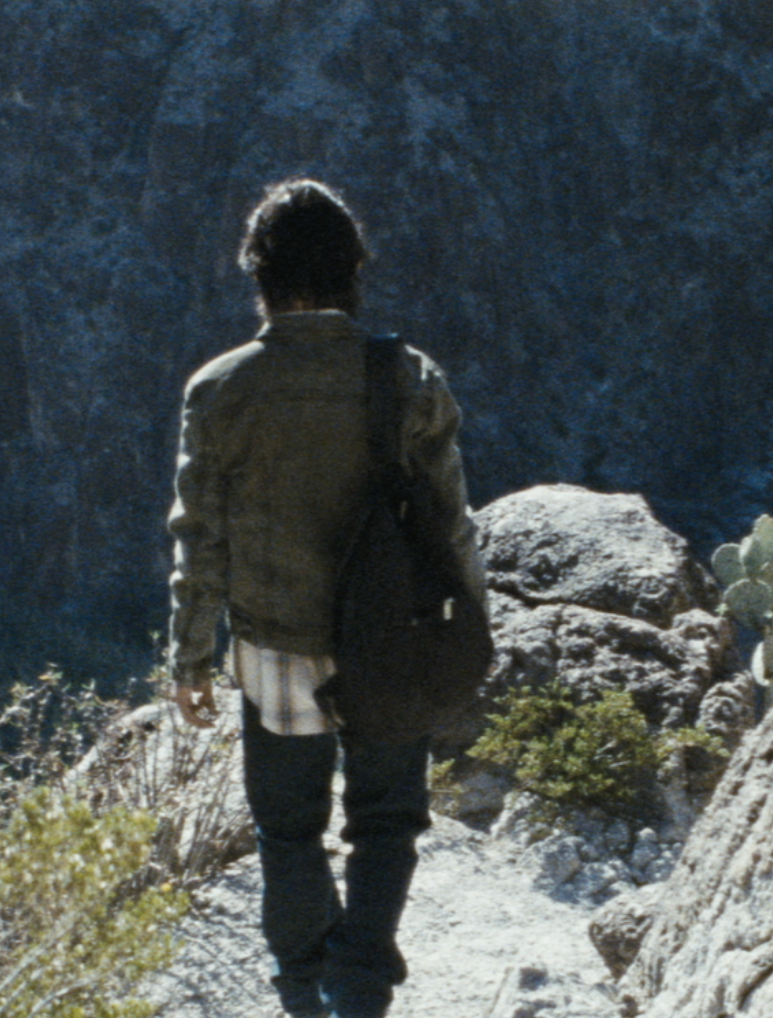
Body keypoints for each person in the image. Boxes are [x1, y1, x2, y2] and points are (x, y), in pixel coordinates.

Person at [164, 178, 485, 1018]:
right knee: (384, 821)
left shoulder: (221, 389)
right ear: (352, 269)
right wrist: (466, 638)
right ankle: (359, 991)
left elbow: (200, 541)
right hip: (390, 645)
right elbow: (450, 530)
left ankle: (302, 994)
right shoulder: (408, 378)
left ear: (259, 273)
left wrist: (190, 656)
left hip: (274, 647)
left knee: (289, 830)